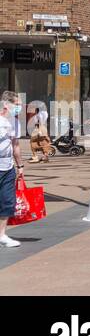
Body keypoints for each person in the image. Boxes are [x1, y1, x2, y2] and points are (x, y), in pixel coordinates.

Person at [0, 91, 24, 248]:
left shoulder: (15, 123)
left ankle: (1, 235)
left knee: (8, 202)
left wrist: (20, 166)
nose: (19, 108)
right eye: (16, 105)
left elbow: (15, 145)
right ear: (5, 104)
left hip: (8, 168)